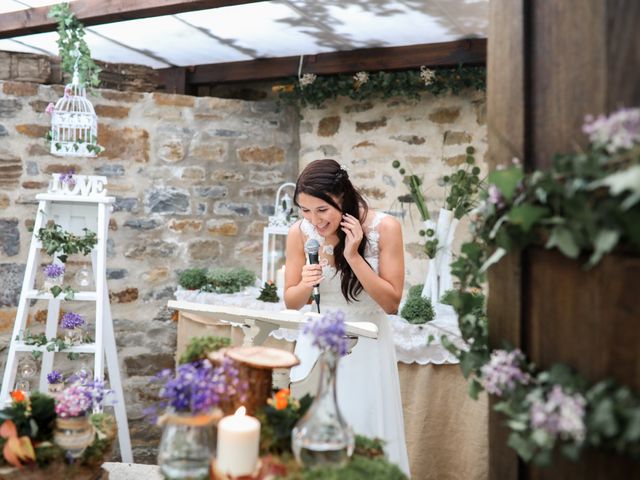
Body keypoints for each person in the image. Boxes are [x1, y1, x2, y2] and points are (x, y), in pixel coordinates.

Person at [284, 158, 410, 476]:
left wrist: (353, 257)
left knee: (365, 428)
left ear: (342, 196)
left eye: (322, 210)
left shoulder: (386, 228)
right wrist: (305, 283)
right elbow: (290, 301)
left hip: (367, 345)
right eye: (305, 210)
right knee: (315, 439)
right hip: (316, 343)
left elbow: (391, 303)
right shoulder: (299, 233)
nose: (314, 219)